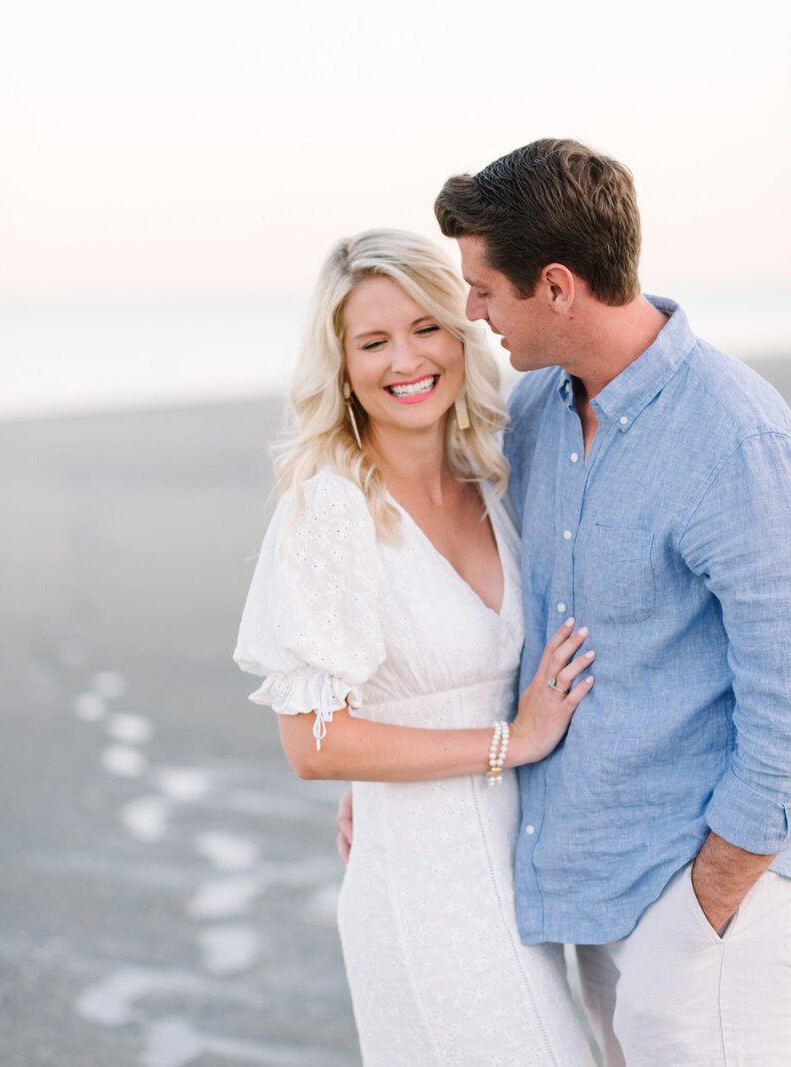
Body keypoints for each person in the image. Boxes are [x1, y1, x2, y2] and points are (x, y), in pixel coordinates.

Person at [428, 138, 791, 1065]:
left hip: (697, 895)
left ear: (556, 286)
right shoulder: (539, 409)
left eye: (484, 287)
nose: (471, 311)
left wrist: (715, 891)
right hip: (581, 884)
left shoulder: (735, 436)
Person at [234, 229, 597, 1065]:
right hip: (424, 895)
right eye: (373, 341)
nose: (406, 358)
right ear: (343, 365)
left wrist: (397, 760)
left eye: (426, 326)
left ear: (461, 329)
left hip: (517, 879)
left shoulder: (491, 475)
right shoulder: (331, 509)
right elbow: (311, 742)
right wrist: (517, 738)